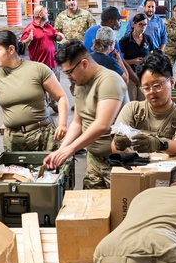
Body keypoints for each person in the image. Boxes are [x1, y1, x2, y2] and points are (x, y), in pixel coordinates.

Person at [44, 40, 129, 188]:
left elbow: (102, 124)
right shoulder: (80, 83)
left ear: (84, 64)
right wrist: (62, 149)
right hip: (94, 159)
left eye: (69, 72)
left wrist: (71, 149)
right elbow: (78, 121)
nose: (68, 77)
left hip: (117, 161)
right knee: (92, 204)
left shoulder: (109, 81)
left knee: (119, 206)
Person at [111, 52, 176, 156]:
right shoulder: (132, 109)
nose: (152, 91)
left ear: (172, 82)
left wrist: (157, 144)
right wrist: (120, 144)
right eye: (146, 88)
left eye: (157, 85)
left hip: (167, 171)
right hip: (136, 170)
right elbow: (114, 147)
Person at [20, 5, 64, 74]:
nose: (48, 14)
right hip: (39, 68)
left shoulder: (48, 26)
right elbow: (21, 47)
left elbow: (55, 37)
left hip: (53, 66)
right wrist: (28, 40)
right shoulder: (29, 29)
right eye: (46, 13)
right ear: (40, 14)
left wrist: (60, 37)